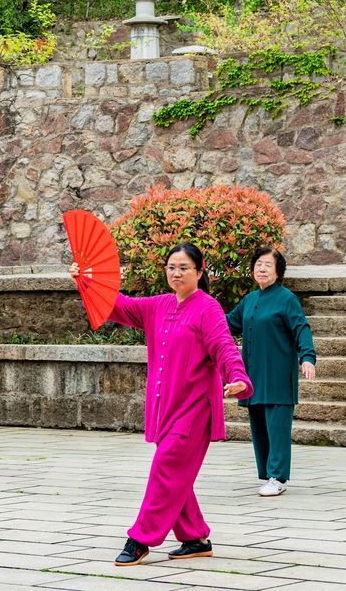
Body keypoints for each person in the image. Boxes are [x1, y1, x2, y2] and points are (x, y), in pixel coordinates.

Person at [69, 242, 253, 566]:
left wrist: (237, 376)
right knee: (174, 472)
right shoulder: (159, 305)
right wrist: (87, 280)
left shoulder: (207, 308)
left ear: (199, 271)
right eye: (171, 267)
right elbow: (118, 305)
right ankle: (195, 537)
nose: (177, 273)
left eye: (184, 267)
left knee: (166, 468)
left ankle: (140, 539)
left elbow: (224, 346)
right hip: (165, 407)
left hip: (196, 409)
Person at [226, 246, 316, 497]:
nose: (261, 268)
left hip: (277, 375)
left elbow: (301, 329)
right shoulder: (250, 300)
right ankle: (268, 474)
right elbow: (227, 324)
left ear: (278, 270)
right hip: (252, 375)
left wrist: (308, 357)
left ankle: (278, 476)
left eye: (267, 264)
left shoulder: (286, 298)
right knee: (259, 427)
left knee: (277, 427)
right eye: (258, 264)